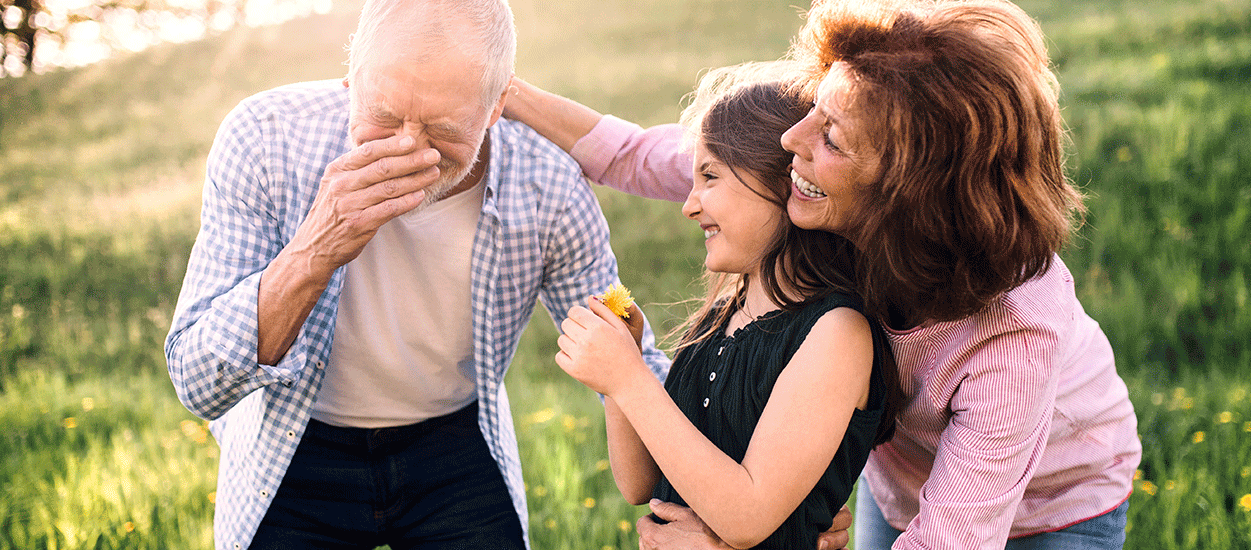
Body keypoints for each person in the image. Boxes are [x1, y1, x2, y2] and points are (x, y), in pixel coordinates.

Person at [503, 0, 1142, 548]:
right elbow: (638, 156)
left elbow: (952, 535)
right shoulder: (813, 187)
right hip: (899, 482)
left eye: (831, 136)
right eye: (817, 107)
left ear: (907, 192)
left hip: (1058, 504)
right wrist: (505, 93)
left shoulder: (1014, 333)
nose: (791, 142)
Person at [163, 0, 669, 548]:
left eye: (442, 128)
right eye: (382, 114)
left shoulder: (550, 183)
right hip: (294, 441)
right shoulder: (263, 138)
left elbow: (631, 351)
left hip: (454, 442)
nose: (406, 145)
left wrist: (732, 488)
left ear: (498, 103)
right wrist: (314, 250)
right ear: (352, 70)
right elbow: (197, 382)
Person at [553, 63, 902, 550]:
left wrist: (631, 380)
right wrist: (619, 377)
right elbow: (640, 483)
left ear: (785, 181)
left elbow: (747, 514)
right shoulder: (722, 317)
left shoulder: (836, 333)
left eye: (710, 176)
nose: (689, 205)